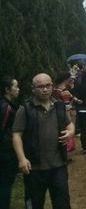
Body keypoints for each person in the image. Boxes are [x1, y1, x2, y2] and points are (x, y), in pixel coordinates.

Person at [12, 73, 75, 209]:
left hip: (58, 165)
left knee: (62, 203)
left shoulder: (59, 106)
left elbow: (70, 124)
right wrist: (22, 159)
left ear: (52, 86)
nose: (45, 89)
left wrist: (70, 132)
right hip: (34, 168)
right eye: (40, 87)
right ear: (33, 89)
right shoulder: (25, 109)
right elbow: (16, 135)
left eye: (48, 85)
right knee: (34, 204)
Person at [0, 77, 20, 209]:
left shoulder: (6, 105)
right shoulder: (6, 108)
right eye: (15, 86)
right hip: (6, 153)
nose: (18, 89)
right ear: (7, 89)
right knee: (5, 185)